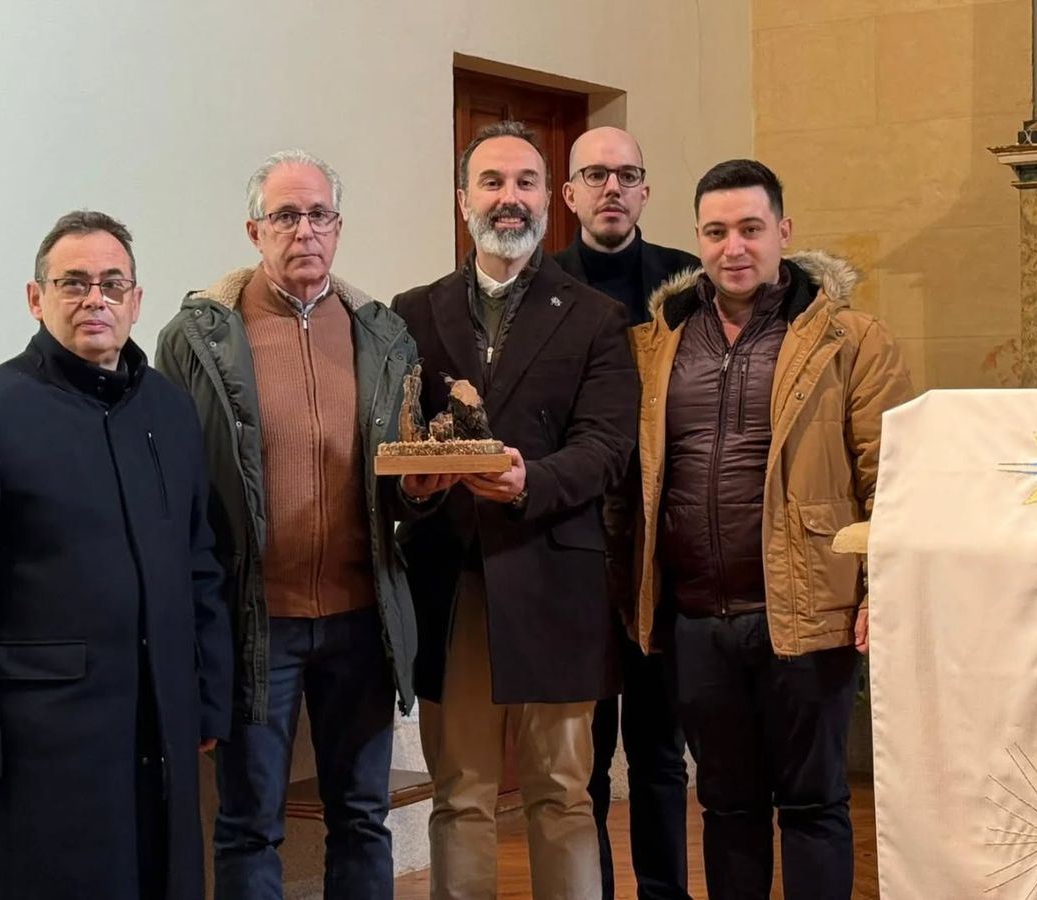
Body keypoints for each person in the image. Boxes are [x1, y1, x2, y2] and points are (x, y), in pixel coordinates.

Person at [0, 210, 232, 900]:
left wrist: (205, 698)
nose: (96, 299)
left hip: (160, 723)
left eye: (113, 284)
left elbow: (199, 562)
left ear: (136, 300)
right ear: (37, 298)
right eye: (74, 283)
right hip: (41, 739)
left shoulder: (170, 413)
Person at [624, 159, 913, 899]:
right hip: (696, 621)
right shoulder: (658, 343)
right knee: (726, 807)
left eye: (751, 229)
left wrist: (882, 591)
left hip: (807, 615)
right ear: (698, 239)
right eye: (716, 232)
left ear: (783, 231)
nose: (734, 248)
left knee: (813, 806)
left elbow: (896, 478)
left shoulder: (850, 340)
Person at [155, 149, 417, 900]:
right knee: (249, 823)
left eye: (320, 215)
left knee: (363, 817)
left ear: (339, 228)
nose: (305, 231)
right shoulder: (198, 340)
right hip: (253, 625)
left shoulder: (383, 335)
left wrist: (424, 491)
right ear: (253, 229)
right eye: (286, 216)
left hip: (361, 621)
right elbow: (173, 483)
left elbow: (405, 469)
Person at [391, 120, 639, 900]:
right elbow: (398, 437)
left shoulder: (596, 317)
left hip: (555, 579)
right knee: (459, 795)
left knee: (563, 793)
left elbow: (607, 448)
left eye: (526, 183)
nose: (509, 199)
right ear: (462, 198)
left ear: (549, 200)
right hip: (453, 584)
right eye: (492, 183)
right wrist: (414, 487)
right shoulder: (413, 311)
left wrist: (532, 477)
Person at [553, 125, 697, 900]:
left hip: (660, 548)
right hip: (574, 545)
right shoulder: (543, 285)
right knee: (584, 760)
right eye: (596, 175)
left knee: (659, 751)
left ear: (646, 191)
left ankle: (664, 892)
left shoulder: (688, 283)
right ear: (569, 195)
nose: (613, 188)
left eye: (628, 174)